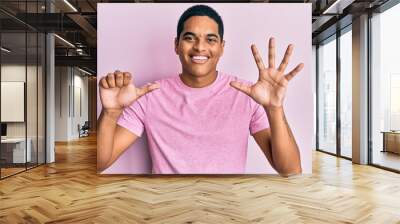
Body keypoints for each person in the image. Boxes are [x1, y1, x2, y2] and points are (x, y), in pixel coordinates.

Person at [97, 5, 304, 176]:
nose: (199, 47)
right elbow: (101, 162)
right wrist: (110, 113)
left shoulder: (248, 95)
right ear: (176, 45)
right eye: (189, 38)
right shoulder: (149, 96)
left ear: (222, 47)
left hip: (228, 211)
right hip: (166, 211)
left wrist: (275, 109)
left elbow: (291, 170)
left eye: (210, 39)